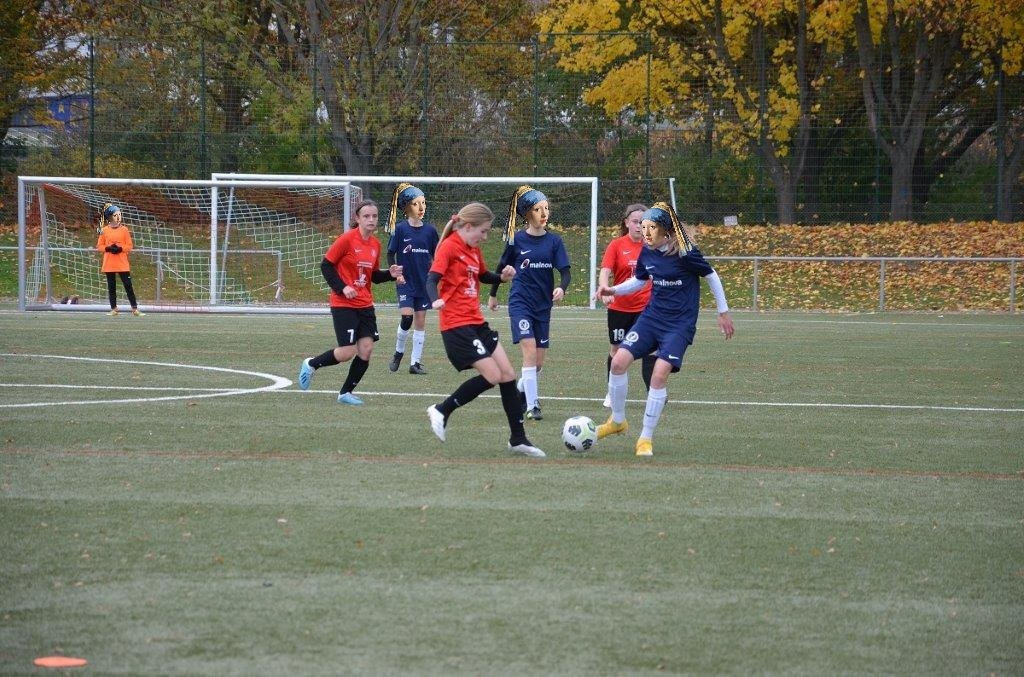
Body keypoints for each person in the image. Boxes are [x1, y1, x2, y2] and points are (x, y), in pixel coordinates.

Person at [594, 201, 734, 457]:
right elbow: (639, 280)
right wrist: (613, 289)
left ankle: (645, 438)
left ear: (667, 231)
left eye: (651, 228)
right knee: (618, 362)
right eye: (644, 227)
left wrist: (722, 312)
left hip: (679, 325)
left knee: (659, 374)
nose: (645, 233)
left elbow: (712, 275)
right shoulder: (648, 251)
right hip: (651, 319)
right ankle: (617, 421)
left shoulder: (686, 253)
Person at [425, 202, 546, 458]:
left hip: (476, 322)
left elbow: (483, 276)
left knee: (507, 374)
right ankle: (441, 409)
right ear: (468, 227)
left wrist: (502, 278)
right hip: (456, 324)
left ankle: (518, 439)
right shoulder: (449, 247)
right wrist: (433, 299)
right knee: (492, 374)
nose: (485, 236)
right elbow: (432, 279)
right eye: (483, 231)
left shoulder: (473, 250)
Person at [297, 200, 404, 405]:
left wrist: (389, 274)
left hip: (365, 304)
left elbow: (372, 276)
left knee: (366, 349)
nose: (371, 220)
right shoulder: (346, 240)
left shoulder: (375, 244)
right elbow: (326, 266)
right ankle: (311, 364)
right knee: (347, 352)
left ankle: (345, 393)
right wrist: (342, 288)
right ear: (357, 218)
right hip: (343, 304)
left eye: (374, 216)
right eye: (366, 216)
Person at [487, 185, 570, 421]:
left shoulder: (554, 242)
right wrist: (493, 294)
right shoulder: (516, 241)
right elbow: (501, 268)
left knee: (538, 362)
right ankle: (533, 406)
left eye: (546, 209)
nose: (543, 214)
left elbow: (565, 272)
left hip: (543, 306)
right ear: (526, 214)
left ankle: (521, 392)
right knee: (530, 353)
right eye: (537, 209)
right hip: (520, 303)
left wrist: (561, 288)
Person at [598, 203, 653, 407]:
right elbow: (605, 270)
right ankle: (612, 393)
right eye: (635, 222)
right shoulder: (617, 245)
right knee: (616, 349)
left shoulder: (652, 246)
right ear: (627, 223)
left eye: (643, 222)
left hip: (646, 308)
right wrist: (604, 289)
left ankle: (653, 393)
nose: (639, 226)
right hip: (620, 308)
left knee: (649, 349)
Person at [385, 183, 440, 375]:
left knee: (420, 321)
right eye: (417, 204)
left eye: (423, 203)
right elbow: (391, 254)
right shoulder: (400, 230)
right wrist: (397, 274)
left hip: (423, 283)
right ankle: (398, 353)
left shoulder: (431, 231)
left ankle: (414, 363)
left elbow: (438, 256)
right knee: (407, 318)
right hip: (406, 283)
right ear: (407, 208)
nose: (422, 207)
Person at [95, 203, 143, 316]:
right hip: (109, 264)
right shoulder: (104, 230)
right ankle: (114, 309)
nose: (119, 217)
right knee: (111, 287)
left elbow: (130, 246)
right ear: (110, 217)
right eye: (116, 215)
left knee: (128, 286)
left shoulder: (124, 230)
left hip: (122, 264)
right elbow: (99, 246)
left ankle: (134, 309)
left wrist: (121, 248)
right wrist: (108, 248)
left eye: (120, 214)